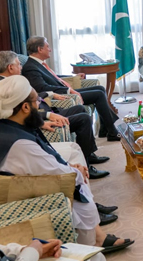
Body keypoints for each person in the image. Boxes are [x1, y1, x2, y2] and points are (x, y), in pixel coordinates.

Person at [0, 76, 132, 253]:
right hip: (22, 192)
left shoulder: (9, 126)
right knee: (77, 180)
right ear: (24, 107)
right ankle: (92, 243)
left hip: (26, 178)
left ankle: (97, 235)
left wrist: (71, 167)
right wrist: (74, 170)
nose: (40, 105)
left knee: (75, 159)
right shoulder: (20, 145)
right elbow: (60, 174)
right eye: (37, 101)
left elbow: (45, 161)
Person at [0, 51, 109, 179]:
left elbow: (27, 104)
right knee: (83, 119)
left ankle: (89, 154)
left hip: (45, 113)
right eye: (19, 64)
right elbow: (15, 112)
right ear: (10, 67)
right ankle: (87, 166)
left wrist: (49, 95)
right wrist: (44, 117)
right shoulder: (6, 87)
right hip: (41, 117)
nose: (21, 67)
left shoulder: (16, 83)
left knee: (80, 109)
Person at [20, 37, 120, 141]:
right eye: (47, 46)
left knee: (100, 88)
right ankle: (112, 131)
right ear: (40, 49)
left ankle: (104, 129)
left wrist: (74, 77)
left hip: (63, 90)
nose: (50, 49)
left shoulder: (38, 64)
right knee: (99, 94)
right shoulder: (30, 67)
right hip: (62, 95)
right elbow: (42, 88)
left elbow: (54, 76)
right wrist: (68, 91)